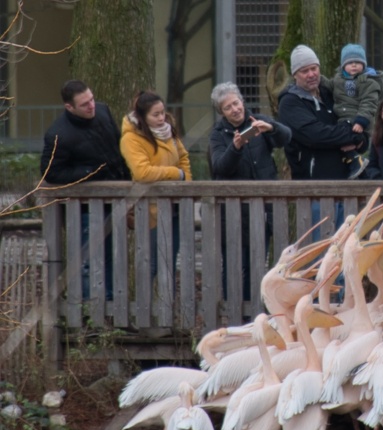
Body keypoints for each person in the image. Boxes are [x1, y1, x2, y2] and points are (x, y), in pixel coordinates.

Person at [41, 79, 131, 301]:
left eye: (91, 99)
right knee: (89, 259)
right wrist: (90, 172)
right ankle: (91, 308)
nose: (91, 106)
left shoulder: (103, 111)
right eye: (84, 104)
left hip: (116, 194)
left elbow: (118, 148)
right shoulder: (58, 134)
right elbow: (51, 173)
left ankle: (111, 304)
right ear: (69, 107)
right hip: (86, 207)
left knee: (115, 255)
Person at [209, 82, 291, 301]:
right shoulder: (218, 134)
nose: (235, 109)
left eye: (236, 103)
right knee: (235, 265)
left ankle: (255, 310)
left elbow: (286, 137)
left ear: (242, 101)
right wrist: (235, 148)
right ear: (221, 112)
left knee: (258, 263)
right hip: (233, 212)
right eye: (228, 107)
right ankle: (234, 310)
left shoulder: (258, 120)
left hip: (263, 209)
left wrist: (271, 128)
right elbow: (219, 166)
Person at [120, 90, 191, 280]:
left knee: (169, 261)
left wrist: (186, 184)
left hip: (174, 205)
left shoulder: (168, 132)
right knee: (151, 263)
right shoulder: (131, 139)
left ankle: (166, 299)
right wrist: (176, 173)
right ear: (143, 117)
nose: (161, 118)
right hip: (149, 209)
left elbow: (183, 157)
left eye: (162, 113)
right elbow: (142, 172)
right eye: (155, 114)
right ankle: (144, 299)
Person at [278, 44, 368, 181]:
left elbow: (360, 128)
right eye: (304, 71)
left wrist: (360, 139)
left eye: (314, 68)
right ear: (294, 75)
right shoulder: (289, 103)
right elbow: (316, 135)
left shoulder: (332, 93)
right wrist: (353, 135)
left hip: (350, 181)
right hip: (313, 185)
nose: (311, 74)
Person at [329, 43, 383, 179]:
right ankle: (357, 166)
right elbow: (328, 86)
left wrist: (361, 121)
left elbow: (369, 102)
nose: (354, 65)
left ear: (364, 65)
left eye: (358, 62)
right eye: (350, 63)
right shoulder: (338, 79)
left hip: (356, 121)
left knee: (340, 137)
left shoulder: (368, 82)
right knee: (340, 145)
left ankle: (357, 163)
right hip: (341, 119)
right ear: (343, 66)